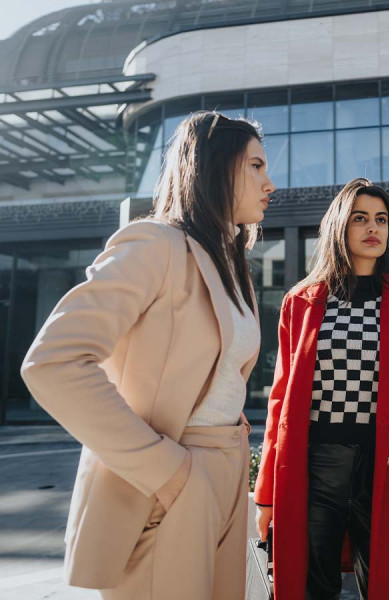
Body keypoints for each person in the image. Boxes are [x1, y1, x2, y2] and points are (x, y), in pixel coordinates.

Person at [20, 111, 275, 600]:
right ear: (215, 167)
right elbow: (53, 361)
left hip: (227, 473)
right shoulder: (154, 244)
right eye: (257, 166)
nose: (270, 183)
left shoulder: (232, 264)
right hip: (172, 480)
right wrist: (169, 471)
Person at [253, 178, 389, 600]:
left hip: (385, 469)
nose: (373, 228)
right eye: (360, 219)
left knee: (388, 587)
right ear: (339, 226)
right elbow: (280, 401)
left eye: (381, 219)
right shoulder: (301, 301)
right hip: (312, 468)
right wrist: (265, 494)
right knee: (308, 586)